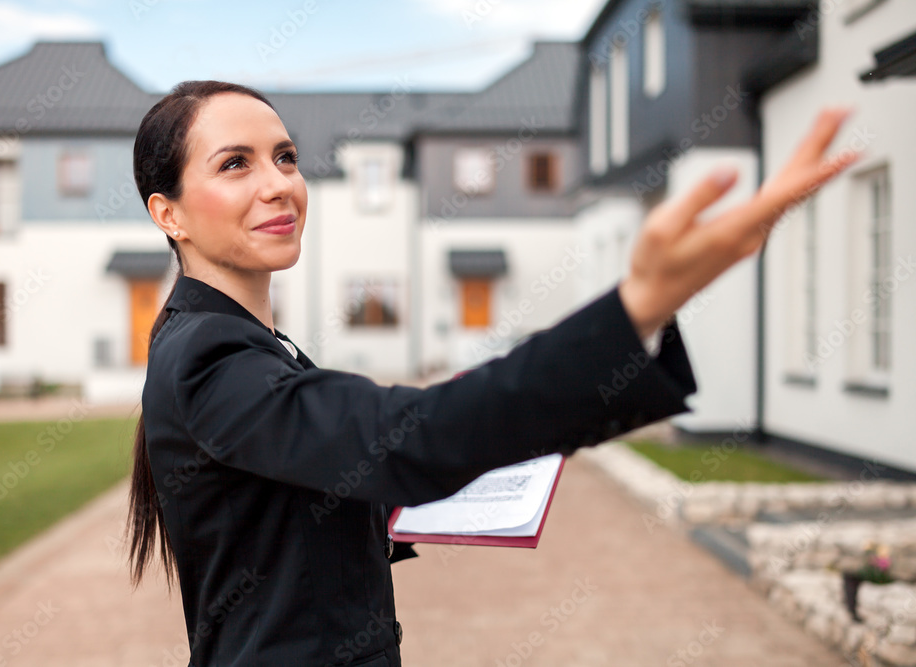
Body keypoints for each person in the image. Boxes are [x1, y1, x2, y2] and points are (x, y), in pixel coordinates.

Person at [126, 80, 859, 667]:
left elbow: (300, 502)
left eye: (285, 156)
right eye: (235, 163)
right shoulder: (208, 357)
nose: (279, 183)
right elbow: (400, 436)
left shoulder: (250, 344)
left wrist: (413, 501)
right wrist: (637, 308)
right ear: (170, 214)